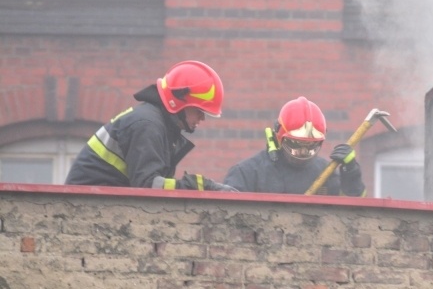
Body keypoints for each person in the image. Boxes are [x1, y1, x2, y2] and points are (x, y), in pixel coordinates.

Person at [65, 60, 236, 192]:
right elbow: (148, 187)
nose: (202, 118)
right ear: (179, 101)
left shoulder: (158, 123)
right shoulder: (147, 125)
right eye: (199, 110)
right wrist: (199, 186)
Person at [224, 96, 366, 196]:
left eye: (311, 145)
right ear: (279, 136)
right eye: (296, 144)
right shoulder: (247, 173)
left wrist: (351, 172)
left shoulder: (326, 173)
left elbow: (355, 214)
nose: (303, 151)